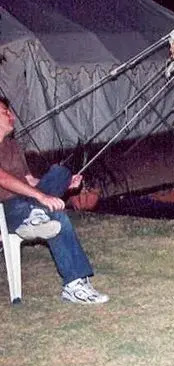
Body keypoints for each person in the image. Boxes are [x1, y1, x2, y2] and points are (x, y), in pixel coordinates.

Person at [0, 97, 109, 304]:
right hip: (7, 211)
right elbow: (3, 179)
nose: (11, 116)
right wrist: (41, 196)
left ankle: (35, 217)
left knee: (60, 173)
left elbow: (30, 180)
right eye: (5, 112)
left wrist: (66, 186)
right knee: (56, 216)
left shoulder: (12, 146)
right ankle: (73, 284)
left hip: (28, 202)